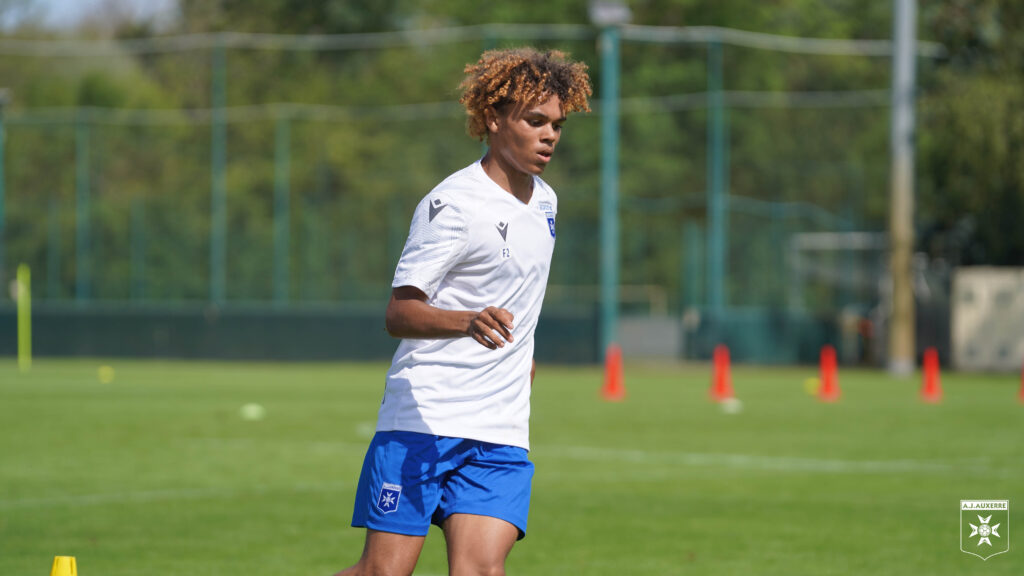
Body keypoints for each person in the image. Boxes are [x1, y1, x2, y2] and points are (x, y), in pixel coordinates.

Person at [335, 47, 591, 576]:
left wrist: (523, 358)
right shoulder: (454, 204)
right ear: (494, 119)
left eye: (557, 125)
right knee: (384, 572)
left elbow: (521, 295)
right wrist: (467, 321)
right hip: (424, 418)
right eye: (535, 121)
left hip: (500, 427)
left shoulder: (547, 202)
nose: (549, 136)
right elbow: (399, 313)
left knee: (480, 570)